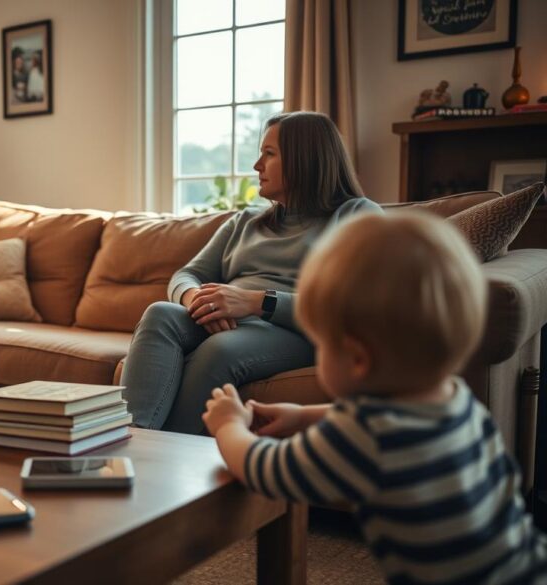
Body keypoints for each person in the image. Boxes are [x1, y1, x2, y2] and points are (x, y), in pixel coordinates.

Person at [203, 212, 547, 584]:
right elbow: (380, 420)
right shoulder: (454, 400)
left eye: (320, 345)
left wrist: (228, 426)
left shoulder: (364, 437)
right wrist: (303, 417)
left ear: (357, 359)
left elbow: (265, 468)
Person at [121, 111, 381, 433]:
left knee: (219, 351)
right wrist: (197, 300)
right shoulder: (245, 221)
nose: (257, 166)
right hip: (231, 317)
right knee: (159, 313)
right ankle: (130, 445)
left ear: (305, 159)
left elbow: (354, 306)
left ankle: (167, 463)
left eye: (269, 154)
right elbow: (185, 276)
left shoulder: (357, 215)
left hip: (298, 330)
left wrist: (256, 302)